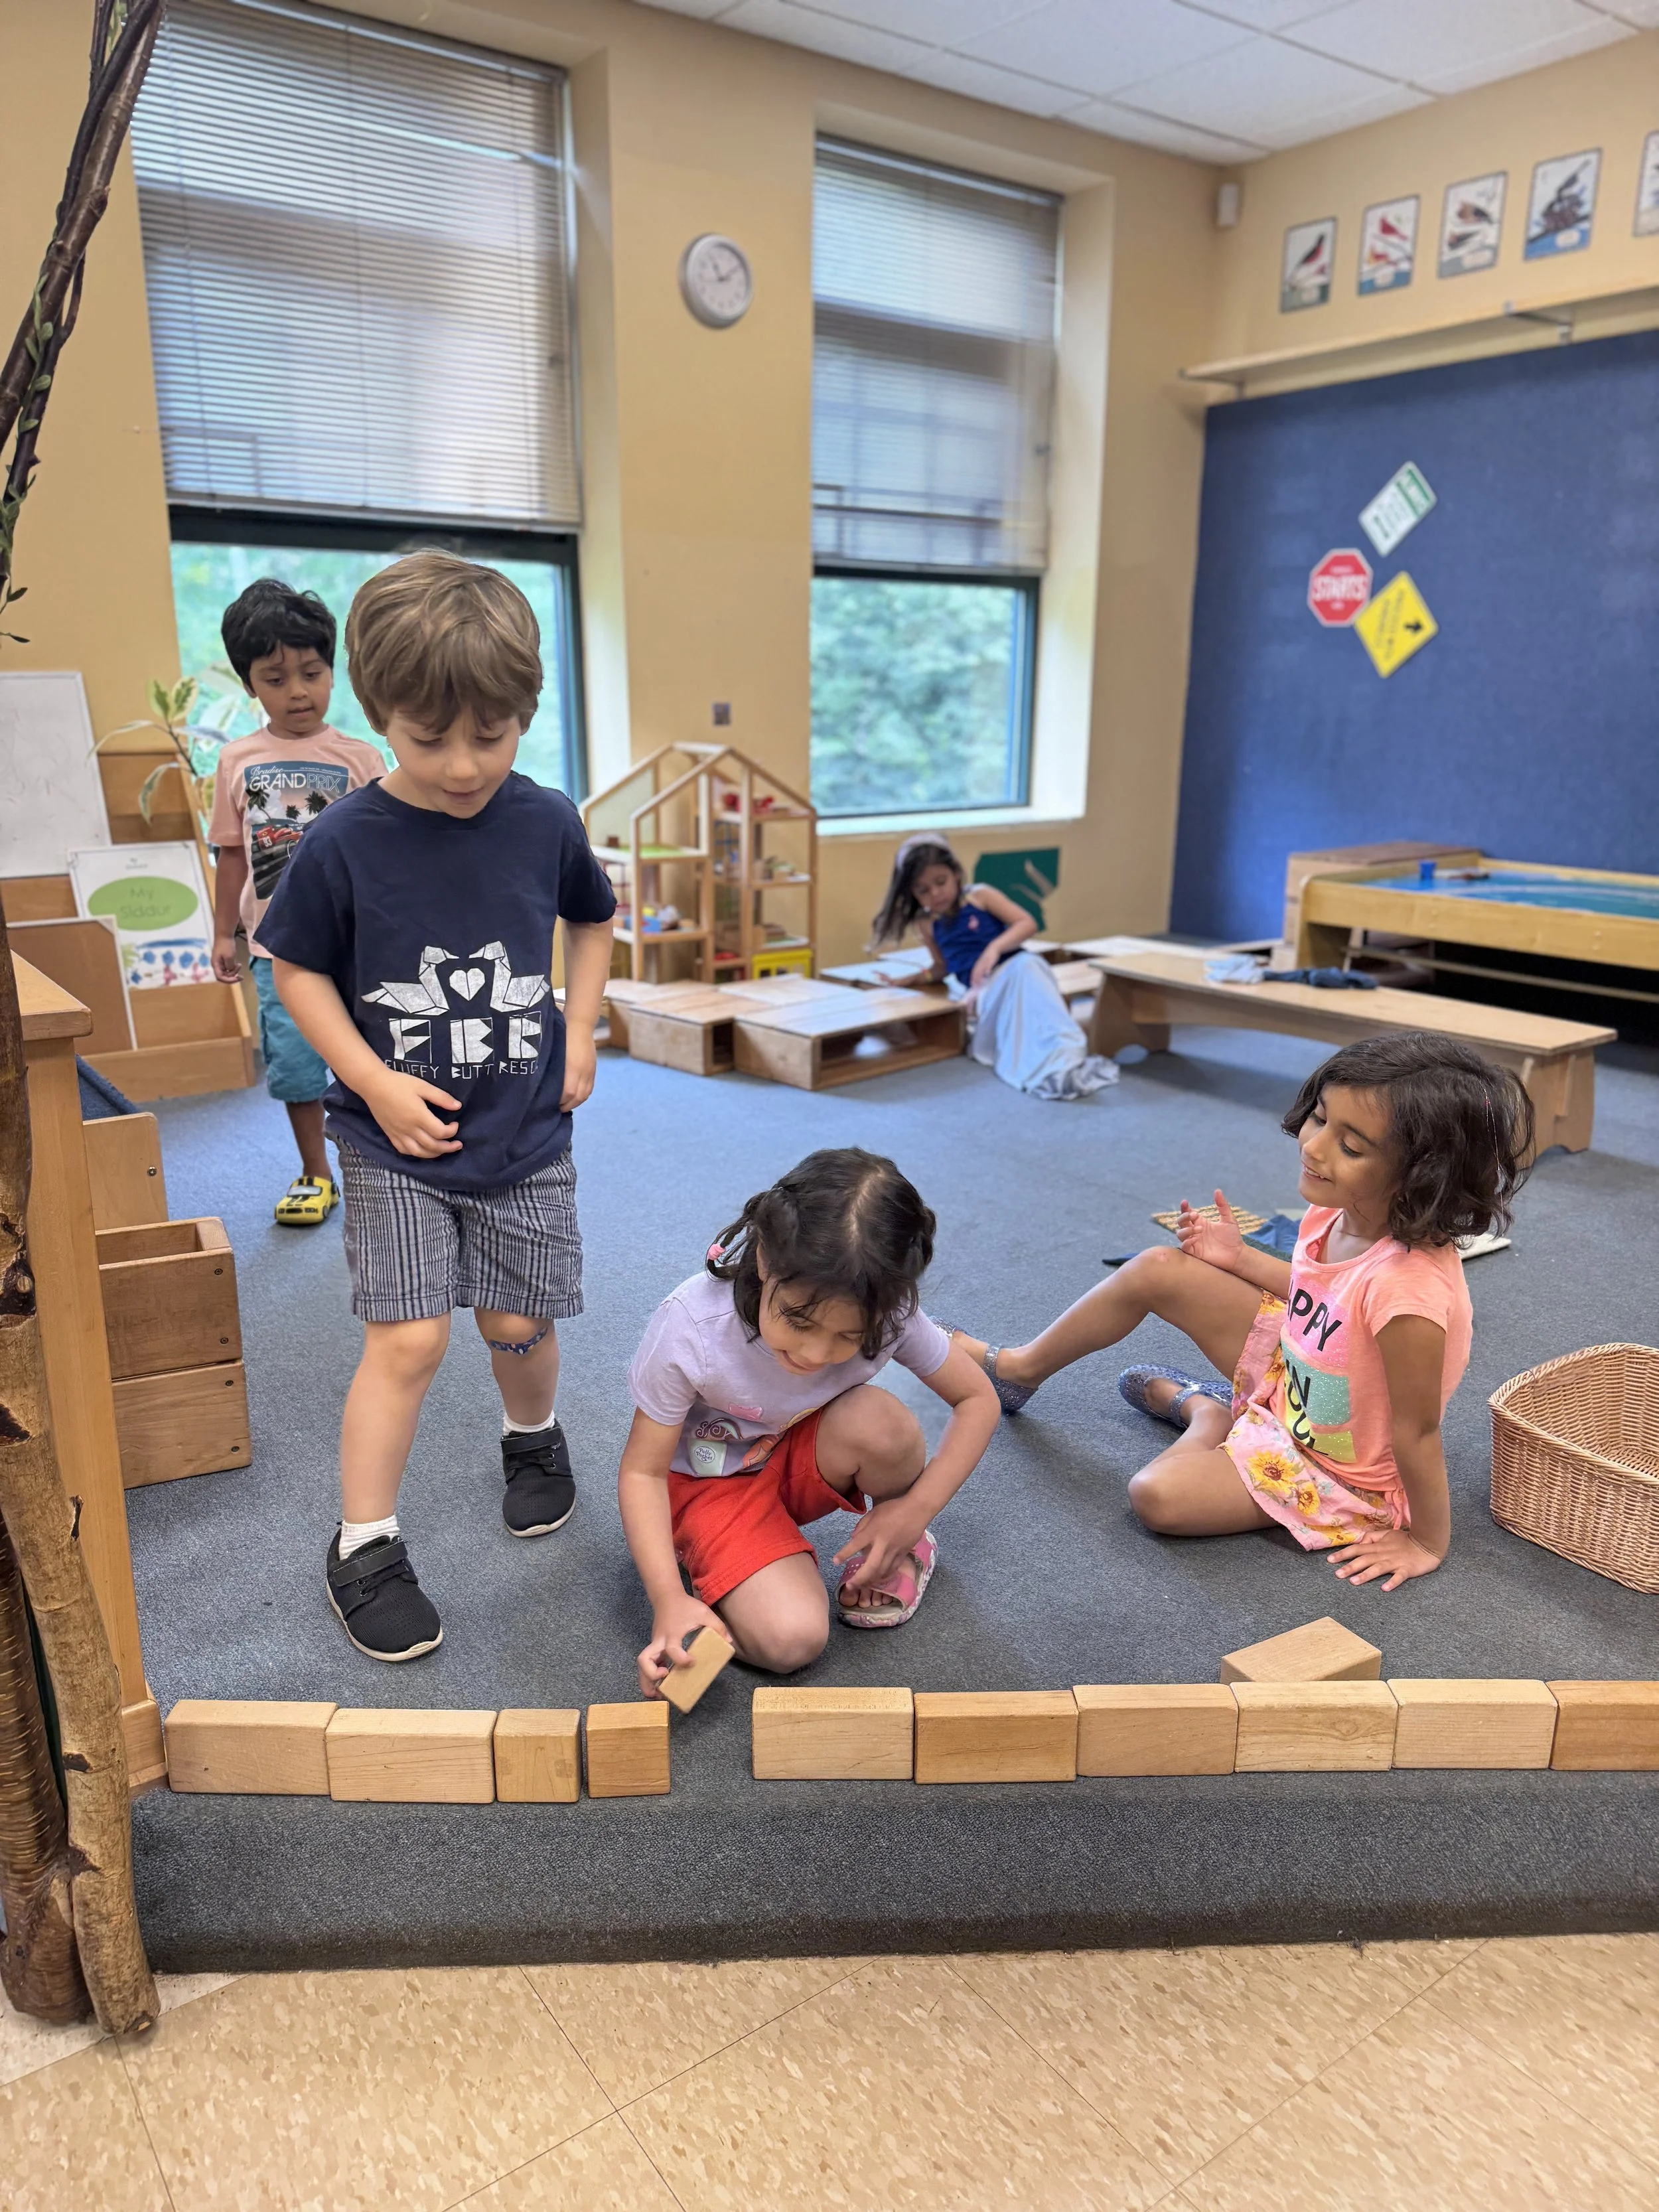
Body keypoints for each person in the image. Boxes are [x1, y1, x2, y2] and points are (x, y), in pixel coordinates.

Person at [257, 551, 616, 1660]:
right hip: (392, 1143)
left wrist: (586, 1022)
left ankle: (534, 1434)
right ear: (381, 716)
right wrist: (366, 1078)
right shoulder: (341, 839)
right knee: (408, 1338)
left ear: (527, 713)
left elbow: (592, 918)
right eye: (429, 738)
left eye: (493, 735)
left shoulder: (546, 816)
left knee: (516, 1322)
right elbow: (293, 968)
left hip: (524, 1130)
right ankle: (364, 1542)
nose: (464, 766)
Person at [954, 1035, 1533, 1591]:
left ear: (1420, 1177)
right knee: (1158, 1266)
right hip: (1299, 1377)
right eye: (1321, 1118)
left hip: (1334, 1467)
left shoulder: (1409, 1293)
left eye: (1351, 1146)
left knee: (1156, 1494)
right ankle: (1019, 1368)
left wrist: (1430, 1542)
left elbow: (1418, 1428)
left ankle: (1210, 1415)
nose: (1314, 1145)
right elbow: (1320, 1295)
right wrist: (1238, 1258)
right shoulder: (1340, 1210)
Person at [620, 1147, 1000, 1696]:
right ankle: (713, 1580)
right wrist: (667, 1600)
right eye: (798, 1319)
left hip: (799, 1449)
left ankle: (899, 1539)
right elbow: (643, 1474)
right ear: (765, 1260)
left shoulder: (887, 1308)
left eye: (849, 1337)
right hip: (709, 1485)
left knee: (886, 1427)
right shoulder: (692, 1326)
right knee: (792, 1640)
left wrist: (915, 1510)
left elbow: (978, 1400)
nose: (817, 1354)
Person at [208, 579, 386, 1226]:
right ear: (251, 685)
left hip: (359, 947)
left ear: (332, 670)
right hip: (276, 950)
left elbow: (388, 854)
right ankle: (316, 1172)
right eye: (276, 678)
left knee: (373, 1054)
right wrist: (223, 931)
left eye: (312, 672)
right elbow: (231, 853)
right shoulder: (238, 760)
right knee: (296, 1065)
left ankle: (380, 1165)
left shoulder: (361, 758)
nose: (299, 691)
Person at [870, 832, 1117, 1101]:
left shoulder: (979, 896)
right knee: (1016, 994)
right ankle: (1047, 1064)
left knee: (1029, 969)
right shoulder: (926, 924)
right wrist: (913, 979)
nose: (936, 893)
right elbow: (942, 966)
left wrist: (993, 949)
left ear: (955, 874)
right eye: (923, 890)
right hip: (985, 988)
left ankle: (1063, 1058)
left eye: (941, 882)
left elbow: (1027, 923)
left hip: (1016, 967)